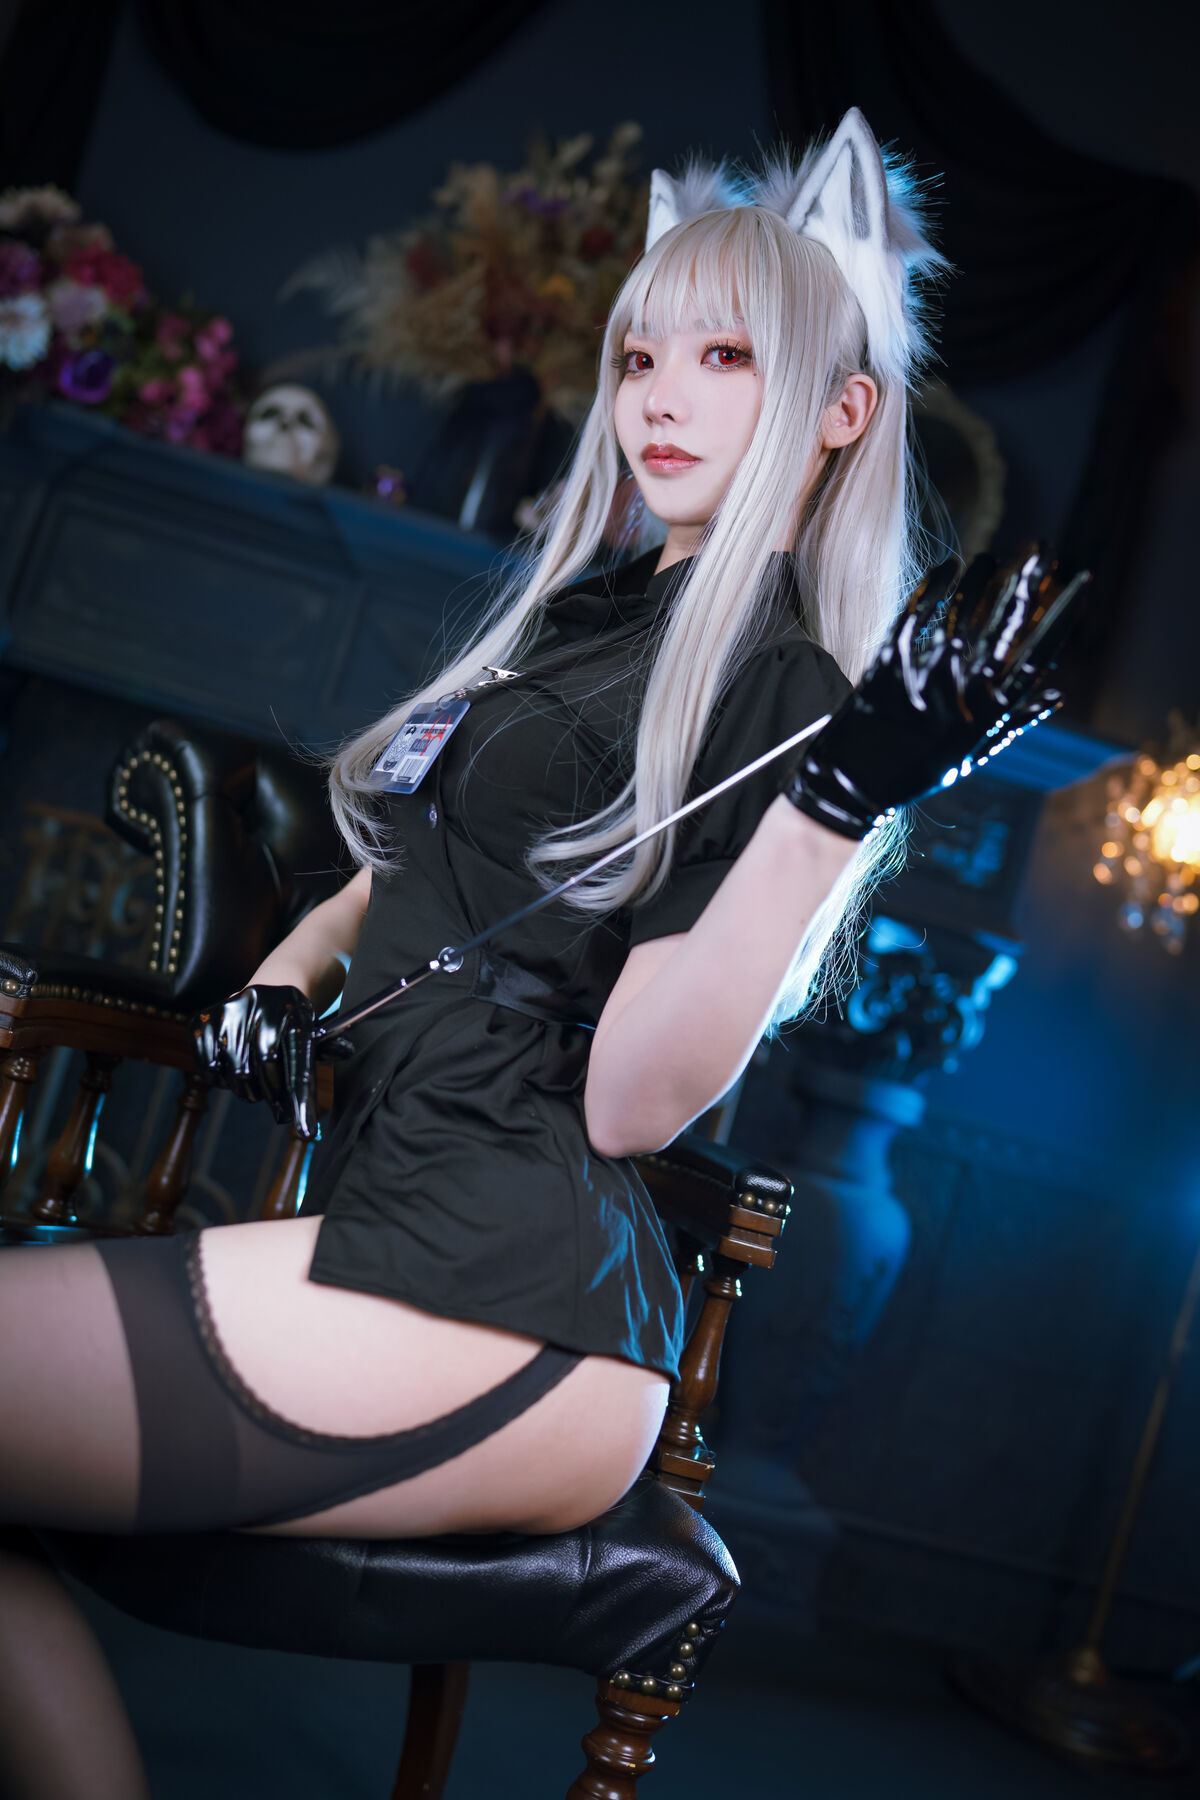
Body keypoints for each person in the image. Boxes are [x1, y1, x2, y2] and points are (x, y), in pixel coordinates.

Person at [0, 108, 1082, 1798]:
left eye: (727, 356)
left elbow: (637, 1106)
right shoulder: (589, 617)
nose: (659, 394)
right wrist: (283, 980)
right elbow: (395, 865)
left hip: (517, 1303)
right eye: (641, 353)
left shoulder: (783, 689)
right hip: (414, 1225)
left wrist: (835, 806)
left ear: (844, 414)